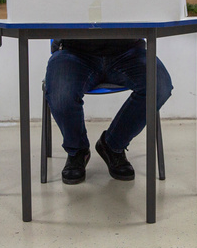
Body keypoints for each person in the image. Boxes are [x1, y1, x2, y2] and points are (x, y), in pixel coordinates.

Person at [44, 38, 173, 184]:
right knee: (61, 94)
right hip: (73, 51)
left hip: (128, 51)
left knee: (159, 86)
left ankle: (112, 145)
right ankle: (77, 150)